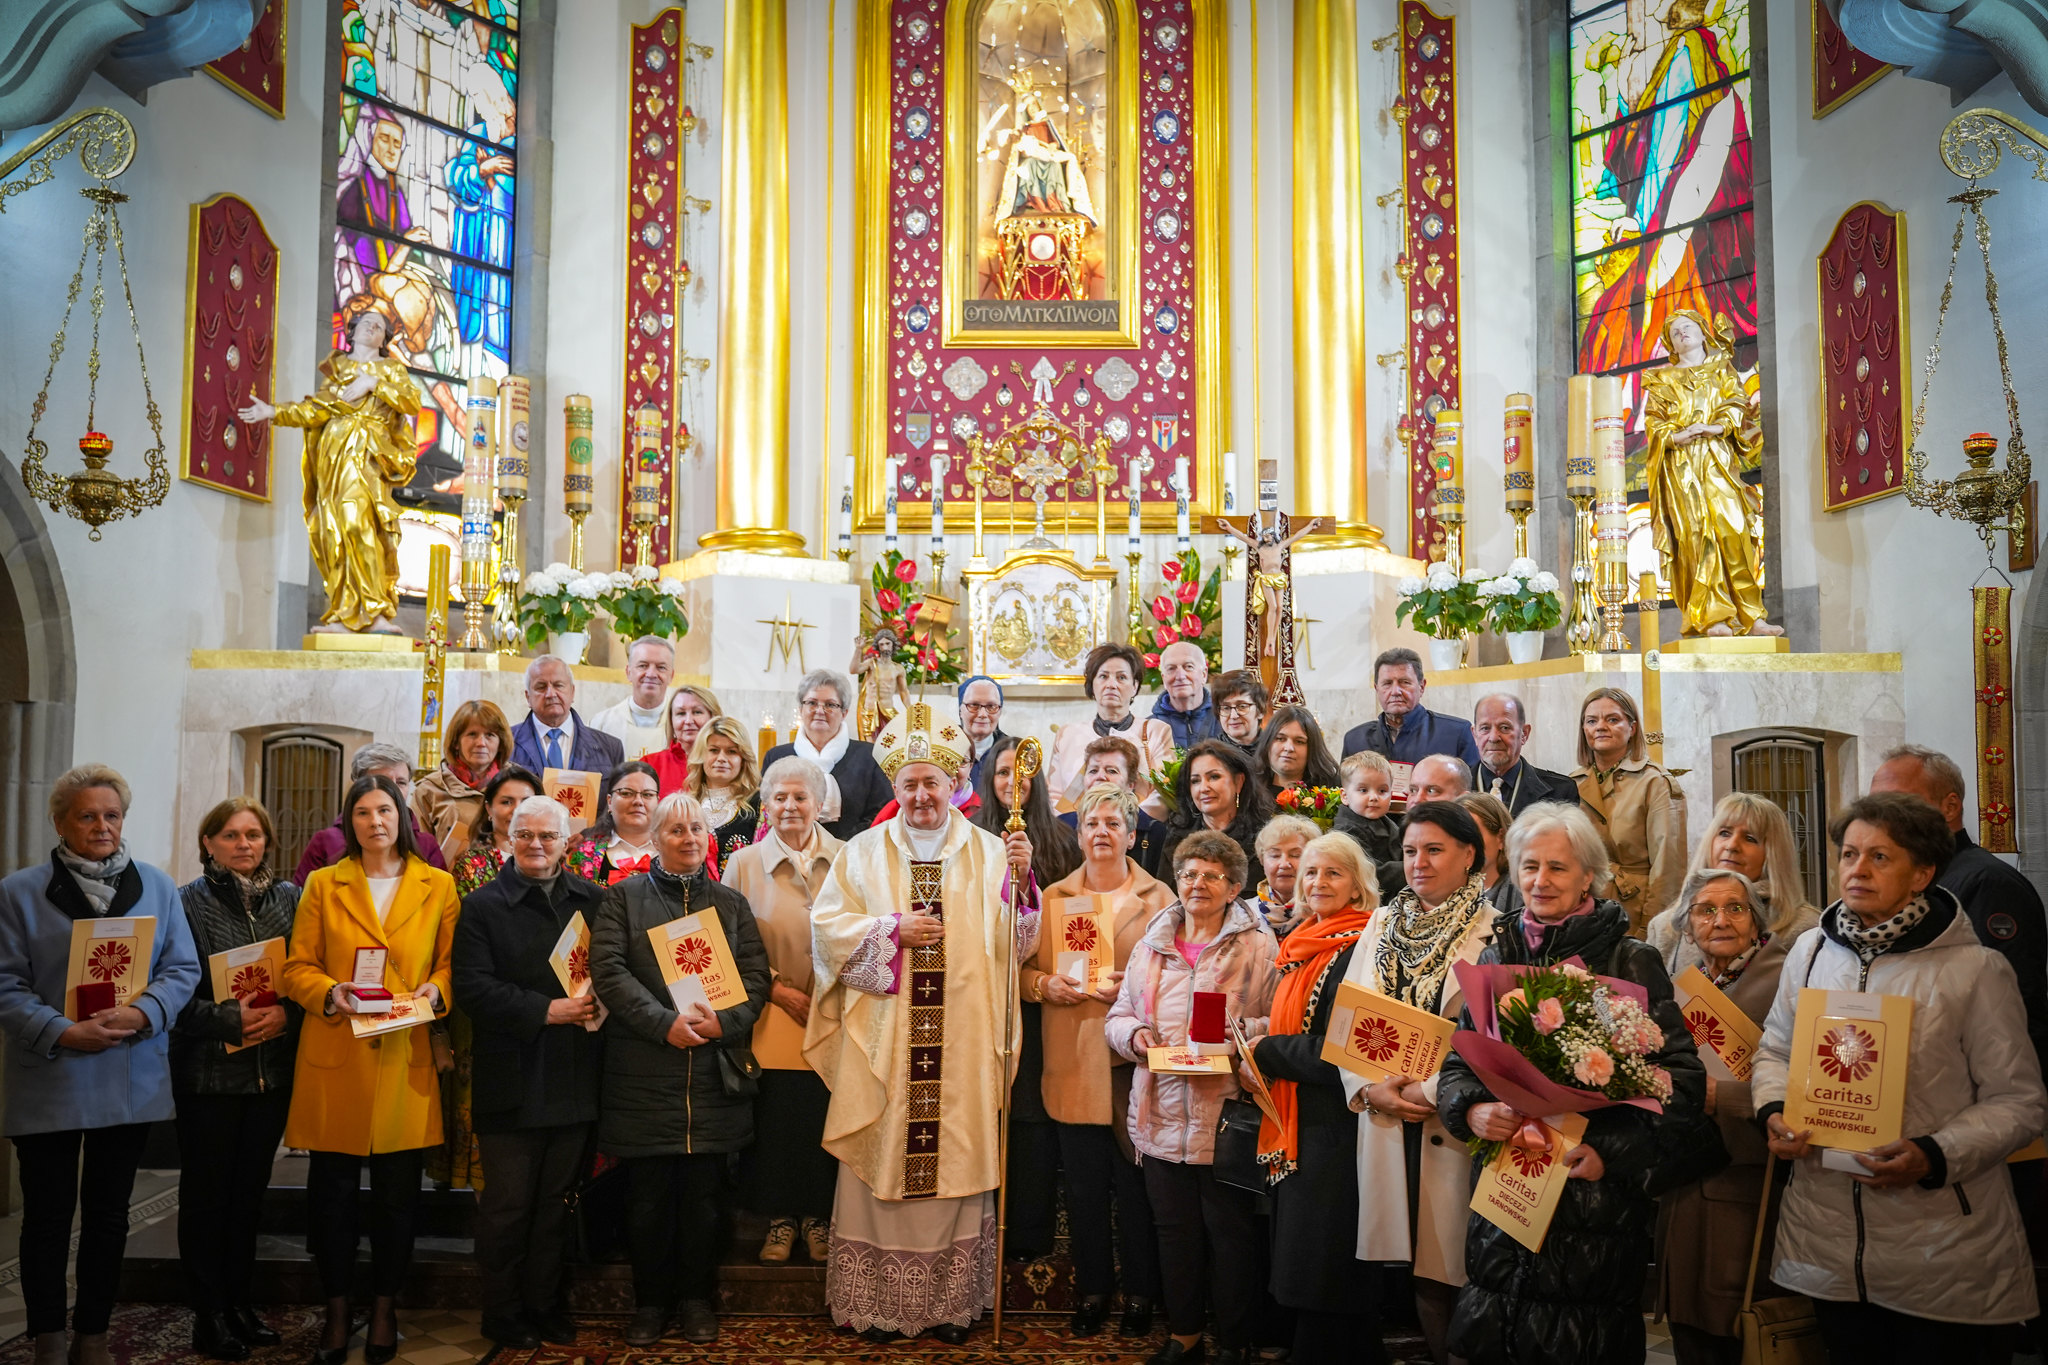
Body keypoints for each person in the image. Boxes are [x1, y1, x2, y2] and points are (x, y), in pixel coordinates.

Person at [1756, 793, 2046, 1363]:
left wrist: (1933, 1154)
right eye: (1848, 854)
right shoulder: (1810, 953)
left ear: (1923, 874)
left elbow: (2019, 1103)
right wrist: (1772, 1112)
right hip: (1828, 1237)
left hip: (1941, 1248)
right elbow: (1774, 1051)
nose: (1857, 870)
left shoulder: (1975, 971)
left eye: (1880, 858)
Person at [1436, 802, 1708, 1365]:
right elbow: (1460, 1063)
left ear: (1589, 875)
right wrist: (1471, 1112)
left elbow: (1680, 1082)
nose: (1540, 880)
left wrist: (1609, 1151)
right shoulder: (1498, 953)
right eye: (1529, 866)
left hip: (1592, 1204)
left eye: (1558, 868)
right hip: (1507, 1185)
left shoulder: (1629, 959)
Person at [805, 701, 1039, 1343]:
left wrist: (1024, 884)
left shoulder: (992, 852)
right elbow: (825, 933)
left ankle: (948, 1305)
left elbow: (1017, 949)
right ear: (894, 787)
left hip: (961, 1042)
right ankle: (880, 1304)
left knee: (956, 1164)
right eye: (907, 783)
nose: (919, 795)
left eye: (931, 782)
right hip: (886, 1041)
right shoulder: (861, 853)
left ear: (953, 782)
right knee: (882, 1158)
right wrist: (890, 931)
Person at [0, 766, 200, 1365]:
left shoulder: (159, 887)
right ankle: (48, 1340)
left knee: (110, 1216)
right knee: (48, 1219)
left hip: (127, 1073)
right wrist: (63, 1031)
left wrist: (143, 1015)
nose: (102, 826)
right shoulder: (18, 892)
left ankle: (92, 1335)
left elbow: (182, 969)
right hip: (52, 1074)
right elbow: (5, 983)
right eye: (87, 816)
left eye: (111, 815)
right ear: (60, 822)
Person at [283, 773, 459, 1365]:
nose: (375, 822)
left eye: (385, 810)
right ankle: (337, 1309)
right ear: (348, 821)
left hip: (405, 1050)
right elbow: (296, 967)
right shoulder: (321, 884)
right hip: (338, 1051)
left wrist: (433, 997)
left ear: (402, 817)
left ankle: (385, 1309)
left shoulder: (437, 885)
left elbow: (451, 967)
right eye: (362, 812)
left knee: (396, 1198)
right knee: (331, 1195)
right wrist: (332, 992)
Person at [590, 791, 771, 1347]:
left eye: (697, 829)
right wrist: (661, 1023)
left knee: (704, 1202)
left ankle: (695, 1300)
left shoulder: (732, 905)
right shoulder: (622, 899)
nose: (689, 838)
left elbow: (756, 978)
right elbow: (609, 970)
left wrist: (725, 1024)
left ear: (708, 838)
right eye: (676, 831)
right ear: (656, 840)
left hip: (713, 1077)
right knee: (646, 1202)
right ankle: (650, 1304)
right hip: (643, 1072)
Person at [1104, 830, 1280, 1365]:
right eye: (1187, 874)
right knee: (1173, 1232)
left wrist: (1236, 1038)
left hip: (1224, 1112)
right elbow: (1119, 1014)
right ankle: (1183, 1335)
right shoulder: (1152, 941)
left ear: (1233, 887)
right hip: (1158, 1111)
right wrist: (1134, 1037)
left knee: (1229, 1233)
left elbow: (1280, 1023)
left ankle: (1232, 1340)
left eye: (1211, 875)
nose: (1197, 883)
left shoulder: (1256, 944)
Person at [1342, 800, 1498, 1365]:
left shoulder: (1492, 928)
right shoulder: (1382, 922)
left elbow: (1491, 1035)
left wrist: (1431, 1091)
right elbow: (1350, 1018)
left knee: (1457, 1263)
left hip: (1456, 1118)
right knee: (1419, 1269)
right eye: (1410, 851)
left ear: (1470, 856)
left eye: (1434, 850)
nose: (1419, 863)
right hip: (1387, 1111)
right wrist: (1367, 1088)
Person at [452, 795, 606, 1351]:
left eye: (547, 836)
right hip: (511, 1076)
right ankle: (503, 1310)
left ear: (568, 843)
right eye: (525, 835)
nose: (536, 845)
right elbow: (470, 987)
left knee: (555, 1203)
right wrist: (545, 1010)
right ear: (508, 839)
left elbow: (613, 973)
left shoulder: (595, 901)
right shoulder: (484, 905)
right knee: (507, 1206)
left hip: (573, 1074)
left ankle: (545, 1305)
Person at [1028, 784, 1174, 1338]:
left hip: (1134, 1069)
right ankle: (1093, 1289)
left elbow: (1181, 978)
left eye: (1114, 823)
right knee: (1085, 1190)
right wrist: (1046, 984)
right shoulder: (1053, 898)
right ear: (1079, 833)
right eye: (1092, 824)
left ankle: (1140, 1292)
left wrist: (1134, 990)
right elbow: (1019, 976)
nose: (1102, 833)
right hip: (1072, 1060)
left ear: (1133, 835)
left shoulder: (1161, 899)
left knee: (1136, 1192)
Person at [173, 798, 302, 1361]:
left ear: (268, 842)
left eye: (253, 834)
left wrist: (290, 1014)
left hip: (269, 1075)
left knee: (248, 1198)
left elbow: (304, 974)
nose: (243, 844)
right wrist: (227, 1018)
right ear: (208, 843)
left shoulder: (290, 900)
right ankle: (209, 1313)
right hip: (210, 1077)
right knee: (207, 1199)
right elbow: (171, 995)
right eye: (229, 835)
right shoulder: (185, 905)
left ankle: (240, 1305)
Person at [1250, 834, 1384, 1364]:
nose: (1318, 883)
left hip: (1338, 1122)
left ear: (1358, 883)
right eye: (1310, 872)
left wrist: (1267, 1050)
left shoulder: (1362, 945)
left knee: (1325, 1256)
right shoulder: (1304, 938)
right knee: (1307, 1252)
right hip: (1300, 1117)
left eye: (1333, 873)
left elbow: (1346, 1051)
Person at [1654, 868, 1791, 1365]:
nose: (1721, 920)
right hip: (1684, 1179)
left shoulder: (1785, 979)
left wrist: (1724, 1098)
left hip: (1750, 1181)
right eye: (1705, 910)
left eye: (1736, 908)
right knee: (1689, 1325)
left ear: (1757, 922)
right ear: (1688, 927)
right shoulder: (1682, 987)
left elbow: (1809, 1088)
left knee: (1737, 1326)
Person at [722, 756, 844, 1267]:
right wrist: (776, 990)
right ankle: (779, 1221)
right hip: (771, 1012)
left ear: (820, 804)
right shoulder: (743, 864)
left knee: (822, 1119)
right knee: (777, 1121)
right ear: (764, 804)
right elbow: (729, 942)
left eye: (800, 797)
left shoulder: (847, 855)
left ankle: (818, 1218)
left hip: (835, 1010)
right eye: (779, 797)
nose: (790, 806)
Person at [1869, 743, 2048, 1081]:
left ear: (1949, 807)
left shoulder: (1988, 883)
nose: (1882, 817)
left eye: (1898, 802)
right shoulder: (1904, 881)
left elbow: (2011, 1011)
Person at [236, 305, 421, 632]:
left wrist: (372, 384)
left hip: (368, 453)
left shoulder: (391, 369)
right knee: (332, 530)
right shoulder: (337, 368)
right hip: (333, 456)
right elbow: (315, 411)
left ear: (384, 339)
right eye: (366, 323)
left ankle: (374, 610)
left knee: (357, 520)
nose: (372, 328)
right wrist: (273, 412)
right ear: (352, 331)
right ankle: (343, 610)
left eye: (379, 326)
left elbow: (410, 402)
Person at [973, 736, 1082, 1263]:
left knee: (1031, 1114)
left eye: (1021, 772)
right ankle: (980, 1225)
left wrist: (1027, 874)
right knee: (987, 1108)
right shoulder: (967, 840)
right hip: (984, 996)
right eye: (1000, 773)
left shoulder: (1062, 840)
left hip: (1040, 998)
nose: (1010, 782)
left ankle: (1027, 1232)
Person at [1643, 792, 1818, 979]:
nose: (1732, 845)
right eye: (1724, 833)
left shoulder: (1805, 929)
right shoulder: (1664, 928)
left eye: (1750, 838)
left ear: (1774, 855)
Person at [1571, 687, 1686, 937]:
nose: (1600, 726)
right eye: (1592, 721)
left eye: (1612, 719)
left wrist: (1654, 930)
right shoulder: (1571, 783)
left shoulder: (1655, 783)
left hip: (1634, 912)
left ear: (1632, 728)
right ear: (1584, 730)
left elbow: (1669, 869)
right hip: (1582, 911)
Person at [762, 668, 893, 841]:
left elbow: (880, 815)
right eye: (812, 703)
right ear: (801, 709)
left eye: (830, 704)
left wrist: (837, 849)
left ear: (844, 713)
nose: (820, 710)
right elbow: (766, 815)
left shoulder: (870, 757)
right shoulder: (777, 757)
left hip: (852, 855)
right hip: (788, 854)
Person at [1049, 643, 1176, 814]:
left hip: (1137, 832)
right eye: (1103, 676)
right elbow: (1053, 795)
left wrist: (1123, 823)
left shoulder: (1157, 731)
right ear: (1092, 684)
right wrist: (1078, 826)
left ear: (1135, 686)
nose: (1111, 684)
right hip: (1075, 833)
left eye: (1121, 677)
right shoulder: (1067, 735)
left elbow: (1162, 794)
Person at [296, 743, 447, 880]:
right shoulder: (325, 842)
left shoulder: (425, 844)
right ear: (358, 785)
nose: (394, 791)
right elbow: (301, 898)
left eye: (401, 782)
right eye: (384, 782)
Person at [1339, 648, 1481, 772]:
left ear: (1422, 686)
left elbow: (1471, 795)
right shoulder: (1356, 740)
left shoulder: (1456, 733)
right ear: (1377, 689)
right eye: (1387, 683)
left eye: (1404, 682)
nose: (1395, 691)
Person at [1160, 738, 1277, 883]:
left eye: (1214, 777)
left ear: (1239, 782)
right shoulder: (1176, 835)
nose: (1203, 788)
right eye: (1195, 781)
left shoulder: (1264, 838)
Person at [1056, 736, 1173, 878]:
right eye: (1093, 771)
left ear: (1131, 784)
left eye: (1111, 771)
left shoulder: (1155, 832)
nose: (1100, 777)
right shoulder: (1061, 827)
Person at [411, 699, 513, 861]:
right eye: (472, 734)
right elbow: (417, 851)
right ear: (456, 742)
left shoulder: (518, 784)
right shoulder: (429, 790)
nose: (481, 743)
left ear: (500, 742)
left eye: (490, 735)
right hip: (450, 883)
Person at [510, 655, 625, 778]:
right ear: (528, 697)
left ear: (572, 692)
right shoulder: (506, 743)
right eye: (541, 687)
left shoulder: (610, 748)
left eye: (558, 685)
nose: (550, 694)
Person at [1470, 693, 1579, 815]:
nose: (1494, 738)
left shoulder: (1561, 792)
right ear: (1475, 735)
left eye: (1504, 728)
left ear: (1524, 734)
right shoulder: (1455, 789)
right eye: (1485, 728)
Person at [562, 761, 663, 887]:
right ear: (609, 801)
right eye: (626, 793)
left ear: (658, 802)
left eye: (647, 794)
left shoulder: (672, 851)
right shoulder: (583, 853)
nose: (638, 801)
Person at [448, 766, 544, 896]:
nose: (518, 810)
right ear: (489, 808)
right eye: (507, 802)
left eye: (527, 802)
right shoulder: (471, 864)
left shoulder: (551, 859)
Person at [1335, 750, 1406, 902]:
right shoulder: (1347, 831)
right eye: (1363, 790)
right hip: (1367, 903)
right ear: (1345, 796)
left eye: (1382, 791)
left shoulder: (1387, 821)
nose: (1374, 797)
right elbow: (1369, 872)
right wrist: (1411, 868)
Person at [689, 717, 762, 865]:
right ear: (702, 755)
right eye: (714, 750)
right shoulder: (687, 804)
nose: (721, 758)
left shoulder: (760, 804)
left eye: (731, 752)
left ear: (743, 759)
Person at [590, 636, 678, 760]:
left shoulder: (682, 725)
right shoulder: (601, 724)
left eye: (661, 667)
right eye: (643, 666)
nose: (651, 674)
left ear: (671, 676)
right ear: (628, 672)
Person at [645, 684, 723, 797]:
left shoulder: (727, 765)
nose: (688, 721)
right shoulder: (649, 764)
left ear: (713, 717)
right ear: (671, 721)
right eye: (681, 713)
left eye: (697, 712)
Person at [1252, 703, 1342, 796]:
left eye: (1299, 741)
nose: (1289, 748)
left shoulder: (1332, 789)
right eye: (1280, 739)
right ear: (1268, 742)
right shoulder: (1249, 785)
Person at [1252, 814, 1319, 938]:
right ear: (1262, 860)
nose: (1284, 864)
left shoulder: (1325, 911)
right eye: (1275, 855)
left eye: (1295, 855)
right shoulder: (1242, 914)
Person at [1151, 640, 1221, 749]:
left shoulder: (1224, 720)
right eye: (1171, 669)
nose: (1180, 676)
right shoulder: (1149, 727)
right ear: (1164, 679)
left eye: (1188, 667)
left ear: (1204, 675)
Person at [1456, 791, 1517, 912]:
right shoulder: (1438, 889)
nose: (1462, 844)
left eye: (1472, 835)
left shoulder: (1522, 894)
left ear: (1501, 837)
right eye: (1455, 836)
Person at [958, 675, 1009, 791]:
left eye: (991, 706)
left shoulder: (1015, 752)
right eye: (973, 705)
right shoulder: (944, 749)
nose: (982, 714)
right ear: (960, 710)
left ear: (1000, 711)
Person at [1212, 670, 1270, 753]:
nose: (1233, 716)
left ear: (1260, 710)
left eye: (1242, 706)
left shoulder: (1275, 753)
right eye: (1226, 708)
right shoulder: (1210, 757)